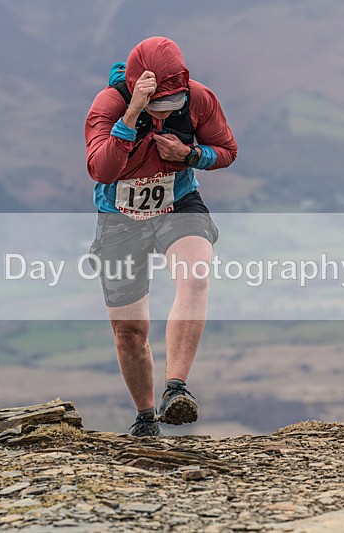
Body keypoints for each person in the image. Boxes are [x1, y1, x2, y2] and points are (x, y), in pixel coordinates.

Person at [85, 37, 237, 436]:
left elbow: (226, 149)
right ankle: (145, 417)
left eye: (173, 102)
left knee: (195, 275)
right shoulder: (109, 105)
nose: (167, 110)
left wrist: (189, 156)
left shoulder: (199, 98)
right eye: (159, 104)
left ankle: (176, 389)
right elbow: (101, 169)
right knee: (129, 331)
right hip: (120, 218)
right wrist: (133, 114)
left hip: (178, 203)